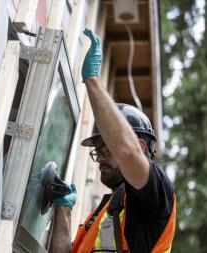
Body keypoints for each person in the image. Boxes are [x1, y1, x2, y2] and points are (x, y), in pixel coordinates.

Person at [51, 28, 176, 253]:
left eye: (105, 150)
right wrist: (64, 212)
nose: (98, 158)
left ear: (139, 146)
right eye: (96, 151)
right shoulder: (107, 213)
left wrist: (92, 81)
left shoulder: (155, 199)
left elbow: (127, 152)